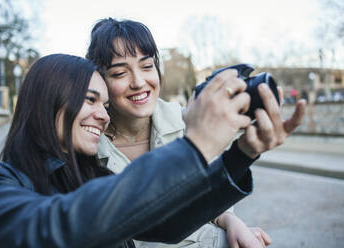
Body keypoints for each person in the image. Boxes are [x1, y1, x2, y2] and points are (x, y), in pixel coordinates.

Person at [0, 53, 272, 248]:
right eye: (89, 100)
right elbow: (56, 226)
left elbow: (166, 224)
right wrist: (195, 147)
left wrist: (241, 155)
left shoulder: (88, 177)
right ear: (47, 101)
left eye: (104, 105)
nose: (104, 116)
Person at [86, 18, 306, 248]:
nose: (139, 82)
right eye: (120, 73)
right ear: (100, 81)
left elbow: (202, 198)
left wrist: (229, 220)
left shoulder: (189, 123)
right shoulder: (85, 146)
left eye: (147, 66)